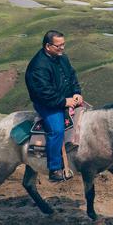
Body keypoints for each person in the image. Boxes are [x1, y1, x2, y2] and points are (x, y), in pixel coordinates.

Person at [25, 30, 84, 182]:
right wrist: (64, 102)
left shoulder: (61, 58)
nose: (62, 48)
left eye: (63, 44)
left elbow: (71, 76)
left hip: (66, 98)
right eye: (59, 46)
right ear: (48, 46)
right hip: (47, 104)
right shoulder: (38, 66)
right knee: (57, 130)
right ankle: (54, 168)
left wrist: (76, 92)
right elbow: (44, 93)